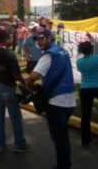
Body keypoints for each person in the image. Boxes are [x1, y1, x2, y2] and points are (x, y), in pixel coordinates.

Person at [26, 28, 76, 169]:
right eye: (37, 39)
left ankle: (63, 165)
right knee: (62, 136)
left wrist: (29, 85)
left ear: (50, 38)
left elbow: (32, 76)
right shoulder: (62, 51)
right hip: (70, 99)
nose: (39, 42)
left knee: (59, 138)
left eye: (42, 38)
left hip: (56, 101)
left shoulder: (48, 55)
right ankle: (65, 162)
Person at [0, 30, 29, 153]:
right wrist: (25, 83)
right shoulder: (9, 54)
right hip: (8, 88)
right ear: (6, 39)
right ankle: (19, 144)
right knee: (15, 117)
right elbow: (16, 74)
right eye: (10, 38)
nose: (12, 40)